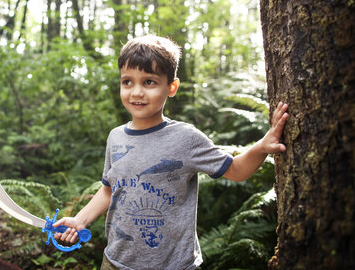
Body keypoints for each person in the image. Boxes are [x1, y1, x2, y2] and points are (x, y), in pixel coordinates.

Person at [53, 35, 289, 270]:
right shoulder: (116, 137)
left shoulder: (186, 138)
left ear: (171, 87)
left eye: (149, 82)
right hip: (116, 262)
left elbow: (236, 171)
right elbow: (109, 189)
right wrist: (79, 220)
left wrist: (262, 147)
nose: (136, 92)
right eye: (127, 81)